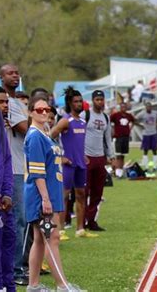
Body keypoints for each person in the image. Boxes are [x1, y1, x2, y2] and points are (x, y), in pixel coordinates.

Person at [24, 95, 81, 292]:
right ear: (30, 112)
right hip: (42, 197)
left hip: (50, 195)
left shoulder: (45, 134)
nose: (44, 113)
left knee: (40, 240)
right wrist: (45, 199)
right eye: (39, 110)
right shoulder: (35, 137)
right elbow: (37, 172)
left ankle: (33, 286)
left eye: (47, 109)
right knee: (52, 238)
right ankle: (62, 286)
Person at [51, 87, 97, 239]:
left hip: (80, 164)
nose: (79, 104)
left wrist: (82, 155)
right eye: (76, 102)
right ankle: (61, 229)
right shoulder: (65, 121)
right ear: (70, 104)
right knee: (63, 196)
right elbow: (50, 137)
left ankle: (80, 229)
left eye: (80, 101)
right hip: (67, 164)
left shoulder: (83, 122)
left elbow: (77, 142)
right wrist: (61, 156)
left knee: (81, 195)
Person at [0, 64, 29, 286]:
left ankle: (15, 267)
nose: (16, 76)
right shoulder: (7, 104)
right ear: (1, 77)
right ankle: (16, 269)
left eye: (17, 72)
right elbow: (26, 128)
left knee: (17, 220)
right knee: (15, 220)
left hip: (17, 165)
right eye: (11, 73)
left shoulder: (17, 103)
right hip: (9, 171)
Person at [80, 90, 114, 232]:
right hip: (87, 157)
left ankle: (92, 220)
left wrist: (111, 155)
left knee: (97, 192)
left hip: (100, 157)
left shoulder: (106, 117)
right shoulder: (85, 115)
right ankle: (81, 222)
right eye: (97, 99)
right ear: (93, 100)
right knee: (84, 191)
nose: (100, 102)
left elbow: (108, 138)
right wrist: (80, 154)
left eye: (102, 99)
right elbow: (78, 136)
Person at [0, 93, 15, 292]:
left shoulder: (1, 125)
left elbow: (6, 160)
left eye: (6, 102)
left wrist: (6, 193)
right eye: (0, 102)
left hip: (3, 197)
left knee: (8, 240)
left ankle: (8, 286)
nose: (5, 105)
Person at [110, 102, 135, 178]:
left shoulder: (129, 115)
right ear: (120, 107)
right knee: (118, 155)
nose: (123, 108)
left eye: (125, 107)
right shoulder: (116, 115)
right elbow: (109, 121)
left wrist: (130, 128)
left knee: (123, 155)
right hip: (118, 137)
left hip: (126, 137)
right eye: (122, 107)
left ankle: (121, 171)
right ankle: (117, 172)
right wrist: (113, 130)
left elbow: (134, 121)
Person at [136, 102, 157, 169]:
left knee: (154, 150)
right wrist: (140, 125)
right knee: (145, 150)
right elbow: (134, 120)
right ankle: (146, 166)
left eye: (150, 107)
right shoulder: (142, 114)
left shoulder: (155, 113)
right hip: (146, 134)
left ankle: (155, 166)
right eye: (147, 107)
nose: (149, 108)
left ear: (151, 107)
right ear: (145, 107)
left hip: (153, 133)